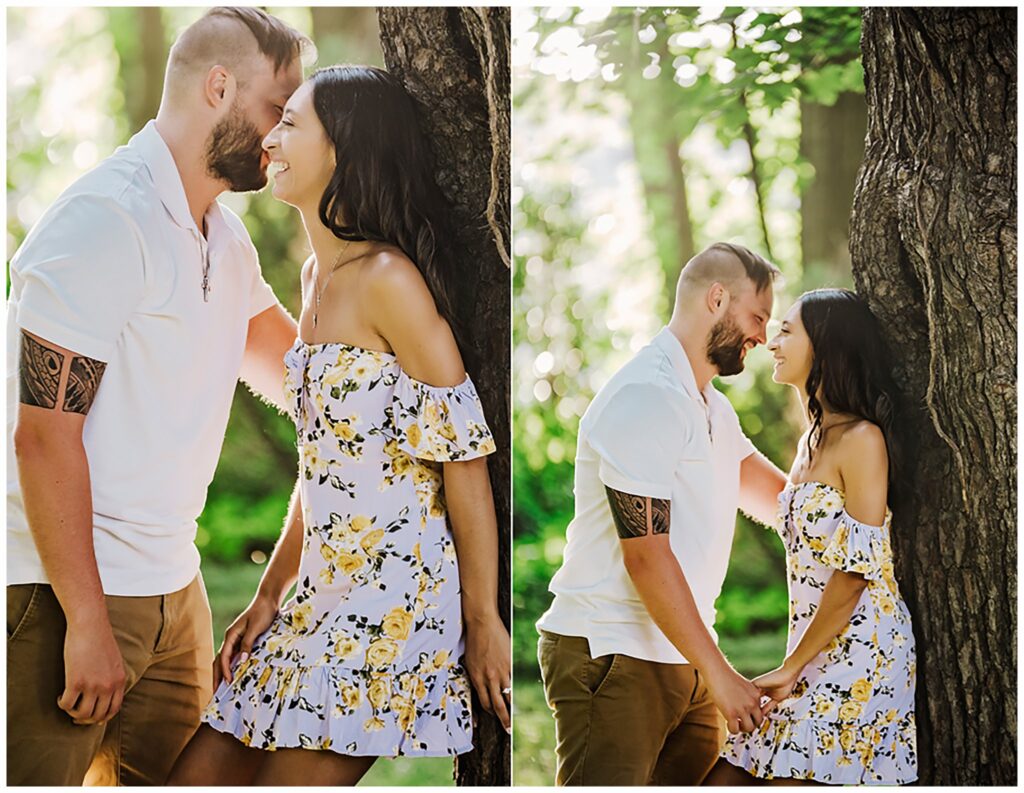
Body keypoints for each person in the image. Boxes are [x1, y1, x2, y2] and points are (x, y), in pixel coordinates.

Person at [168, 64, 511, 787]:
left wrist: (483, 619)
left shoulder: (390, 280)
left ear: (344, 151)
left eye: (292, 122)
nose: (271, 134)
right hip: (316, 596)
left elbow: (464, 458)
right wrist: (268, 592)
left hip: (391, 603)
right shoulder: (314, 280)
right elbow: (325, 461)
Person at [7, 8, 310, 786]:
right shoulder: (105, 219)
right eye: (278, 108)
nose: (281, 135)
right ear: (219, 87)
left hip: (176, 593)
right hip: (58, 593)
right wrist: (85, 622)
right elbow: (42, 436)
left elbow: (303, 378)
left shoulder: (224, 237)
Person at [535, 242, 789, 785]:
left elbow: (782, 501)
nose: (763, 337)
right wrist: (722, 677)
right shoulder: (647, 395)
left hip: (686, 657)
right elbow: (647, 556)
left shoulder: (710, 406)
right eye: (757, 317)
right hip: (613, 653)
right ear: (717, 299)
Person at [707, 289, 917, 785]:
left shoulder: (862, 440)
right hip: (811, 651)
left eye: (786, 331)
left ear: (824, 346)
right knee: (728, 775)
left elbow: (853, 576)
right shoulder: (810, 442)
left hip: (863, 655)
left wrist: (789, 668)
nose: (772, 342)